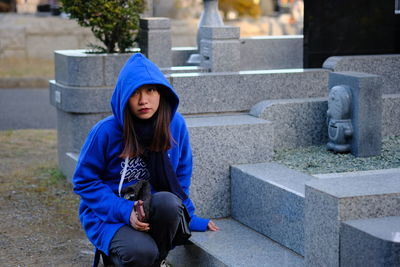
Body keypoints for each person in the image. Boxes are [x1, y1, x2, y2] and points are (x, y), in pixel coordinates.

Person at [73, 53, 219, 267]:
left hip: (151, 208)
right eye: (135, 93)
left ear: (161, 92)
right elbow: (84, 182)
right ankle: (130, 257)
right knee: (141, 252)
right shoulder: (105, 131)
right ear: (124, 97)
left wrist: (190, 217)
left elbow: (179, 178)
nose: (144, 100)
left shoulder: (174, 125)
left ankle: (153, 261)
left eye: (150, 90)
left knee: (169, 204)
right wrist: (125, 210)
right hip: (109, 214)